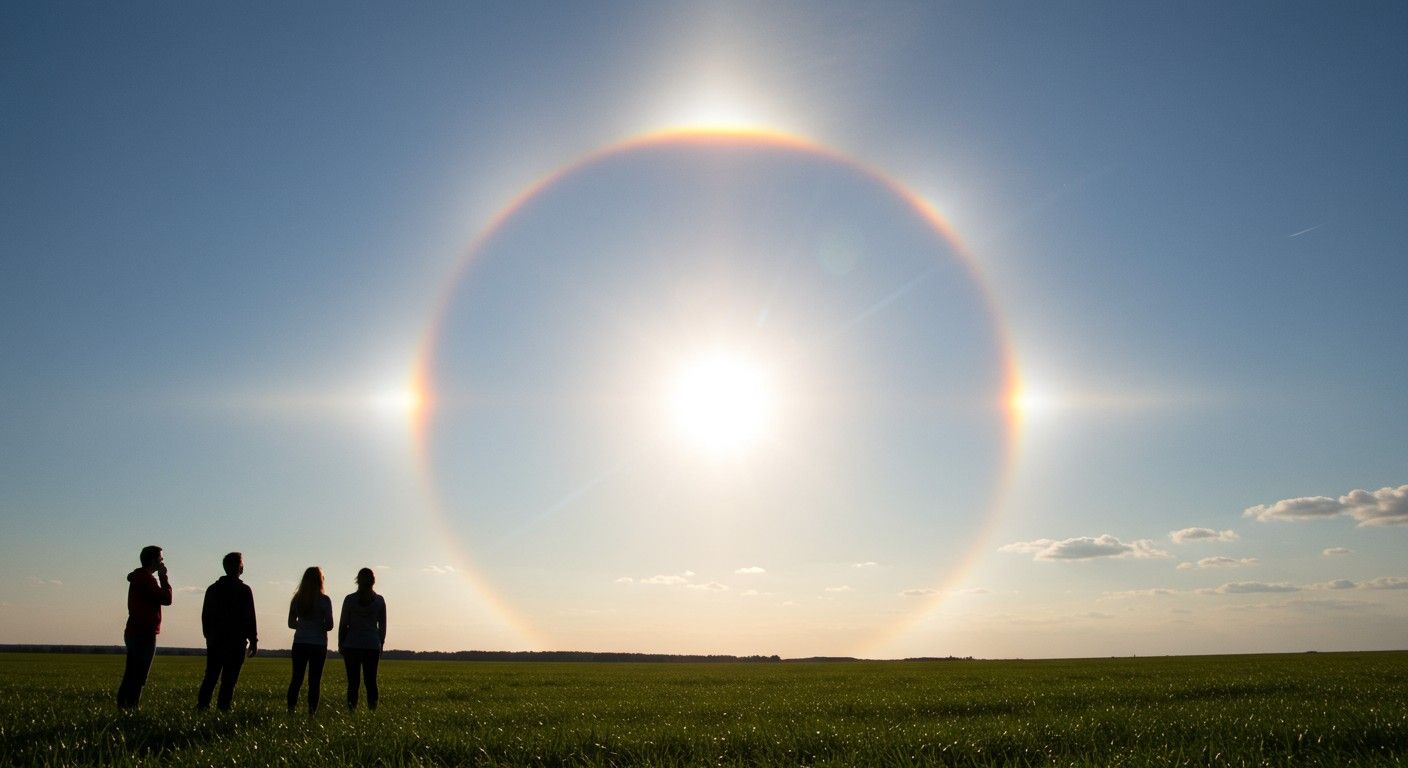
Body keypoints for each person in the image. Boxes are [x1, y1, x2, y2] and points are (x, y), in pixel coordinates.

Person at [197, 552, 257, 711]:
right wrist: (254, 640)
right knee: (229, 680)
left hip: (215, 640)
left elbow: (205, 615)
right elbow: (250, 617)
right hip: (236, 642)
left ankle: (202, 707)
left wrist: (209, 635)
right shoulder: (244, 590)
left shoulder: (213, 589)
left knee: (210, 676)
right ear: (239, 567)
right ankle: (223, 709)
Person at [117, 545, 172, 709]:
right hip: (144, 633)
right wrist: (164, 578)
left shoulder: (139, 577)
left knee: (131, 673)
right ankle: (130, 708)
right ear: (154, 560)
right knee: (139, 676)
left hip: (135, 631)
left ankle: (124, 707)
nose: (162, 563)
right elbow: (166, 598)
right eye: (161, 559)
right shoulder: (147, 579)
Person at [287, 566, 334, 715]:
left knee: (296, 679)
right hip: (318, 644)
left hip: (300, 643)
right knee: (314, 681)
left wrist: (304, 625)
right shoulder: (324, 600)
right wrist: (317, 625)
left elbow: (291, 623)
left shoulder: (297, 599)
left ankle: (291, 711)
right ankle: (311, 714)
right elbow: (330, 625)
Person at [339, 567, 386, 710]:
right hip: (372, 645)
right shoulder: (379, 601)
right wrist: (381, 644)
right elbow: (382, 626)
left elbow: (343, 624)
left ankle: (352, 711)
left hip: (352, 644)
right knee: (371, 681)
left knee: (353, 682)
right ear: (373, 581)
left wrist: (341, 643)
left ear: (357, 580)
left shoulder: (350, 599)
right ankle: (372, 711)